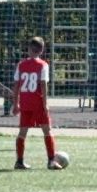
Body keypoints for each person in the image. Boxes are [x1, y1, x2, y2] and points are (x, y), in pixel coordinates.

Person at [13, 36, 60, 170]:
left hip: (25, 102)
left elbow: (16, 85)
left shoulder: (21, 64)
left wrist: (15, 103)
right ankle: (51, 161)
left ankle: (19, 161)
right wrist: (45, 103)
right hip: (38, 102)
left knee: (22, 132)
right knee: (47, 131)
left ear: (28, 49)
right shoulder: (43, 65)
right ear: (42, 50)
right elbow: (43, 83)